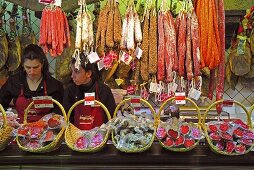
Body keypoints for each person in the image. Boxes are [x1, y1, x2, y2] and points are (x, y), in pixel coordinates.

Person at [0, 44, 64, 123]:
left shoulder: (54, 85)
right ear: (23, 65)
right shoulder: (14, 81)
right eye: (28, 67)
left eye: (36, 67)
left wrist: (52, 117)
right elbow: (1, 104)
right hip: (20, 131)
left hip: (47, 131)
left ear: (42, 64)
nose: (32, 72)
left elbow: (61, 109)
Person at [63, 53, 116, 130]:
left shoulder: (104, 90)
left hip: (99, 137)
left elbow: (110, 118)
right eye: (72, 71)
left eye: (77, 71)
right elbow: (67, 118)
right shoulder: (70, 90)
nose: (72, 76)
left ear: (88, 73)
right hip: (76, 137)